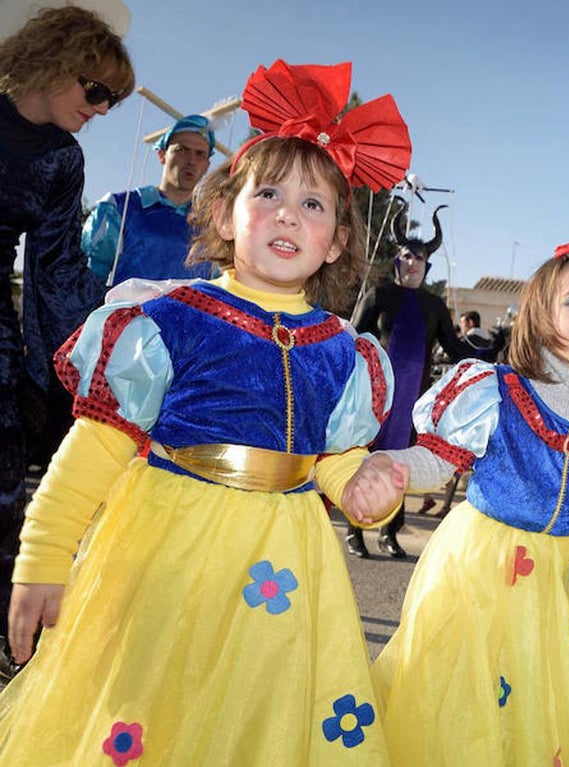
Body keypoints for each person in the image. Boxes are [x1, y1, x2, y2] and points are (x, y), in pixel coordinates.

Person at [0, 60, 413, 764]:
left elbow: (337, 461)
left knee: (259, 718)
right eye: (271, 193)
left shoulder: (345, 352)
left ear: (339, 240)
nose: (289, 212)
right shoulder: (168, 321)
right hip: (169, 552)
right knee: (150, 708)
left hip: (287, 570)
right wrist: (40, 559)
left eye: (315, 205)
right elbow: (94, 449)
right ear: (224, 211)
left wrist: (362, 489)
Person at [355, 242, 569, 765]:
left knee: (543, 719)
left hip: (560, 594)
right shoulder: (496, 391)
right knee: (463, 708)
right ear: (539, 315)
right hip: (479, 577)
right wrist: (393, 466)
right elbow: (441, 459)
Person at [0, 5, 133, 679]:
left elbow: (54, 272)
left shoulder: (60, 160)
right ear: (58, 61)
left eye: (113, 99)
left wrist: (118, 334)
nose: (104, 109)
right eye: (98, 90)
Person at [347, 206, 473, 558]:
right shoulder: (378, 295)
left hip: (414, 401)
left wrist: (493, 348)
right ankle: (355, 531)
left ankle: (390, 532)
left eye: (419, 258)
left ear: (426, 266)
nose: (413, 263)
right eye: (406, 256)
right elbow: (355, 337)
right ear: (397, 262)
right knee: (366, 459)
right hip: (375, 396)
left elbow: (455, 347)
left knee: (402, 462)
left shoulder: (434, 305)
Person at [83, 114, 216, 286]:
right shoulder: (120, 208)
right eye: (181, 150)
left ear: (207, 165)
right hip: (129, 312)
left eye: (200, 154)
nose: (191, 161)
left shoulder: (214, 226)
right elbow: (89, 280)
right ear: (162, 155)